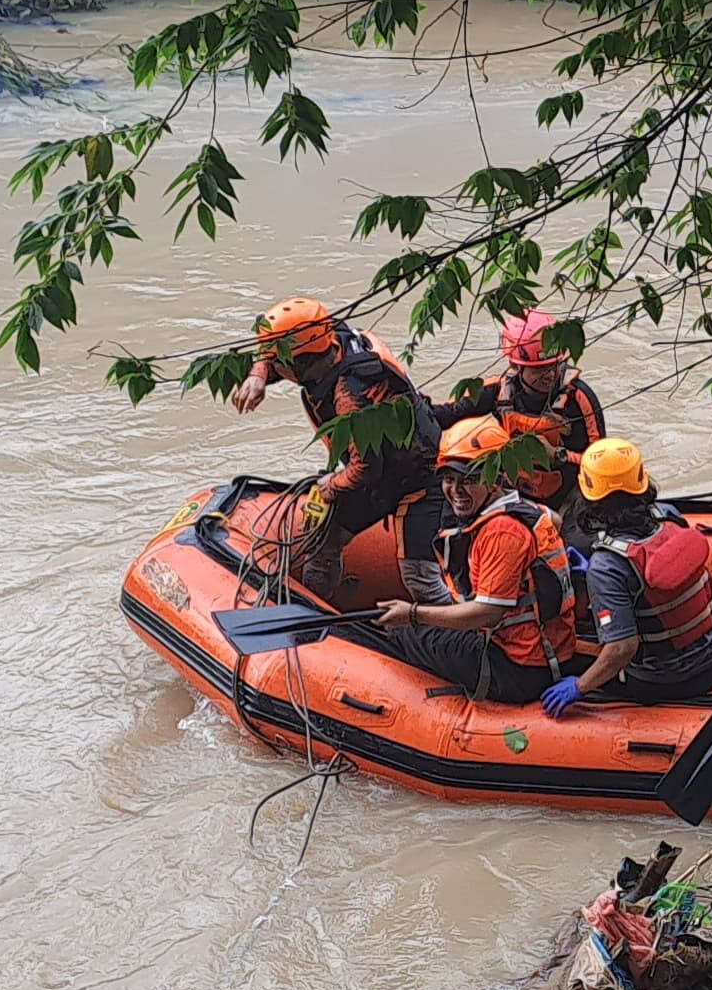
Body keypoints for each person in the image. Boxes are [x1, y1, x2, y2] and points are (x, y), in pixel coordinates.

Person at [230, 298, 439, 602]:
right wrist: (258, 375)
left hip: (418, 474)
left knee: (419, 575)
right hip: (383, 467)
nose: (273, 366)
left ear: (297, 364)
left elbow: (366, 468)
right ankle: (314, 612)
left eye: (277, 363)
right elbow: (282, 347)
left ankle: (454, 635)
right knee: (323, 540)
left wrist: (330, 486)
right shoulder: (329, 336)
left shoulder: (349, 397)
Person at [369, 418, 577, 704]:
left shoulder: (502, 531)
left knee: (402, 634)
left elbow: (486, 614)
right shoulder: (524, 507)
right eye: (449, 479)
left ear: (496, 478)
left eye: (469, 479)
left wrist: (413, 613)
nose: (456, 491)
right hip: (542, 650)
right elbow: (555, 520)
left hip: (518, 667)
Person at [543, 439, 712, 715]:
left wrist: (580, 686)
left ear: (587, 496)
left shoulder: (606, 565)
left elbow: (622, 647)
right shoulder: (670, 516)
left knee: (558, 653)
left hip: (666, 682)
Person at [433, 310, 609, 507]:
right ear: (515, 366)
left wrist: (557, 455)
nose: (550, 375)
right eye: (539, 369)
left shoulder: (579, 398)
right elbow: (443, 415)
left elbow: (604, 463)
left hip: (569, 496)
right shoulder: (497, 390)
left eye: (554, 366)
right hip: (515, 491)